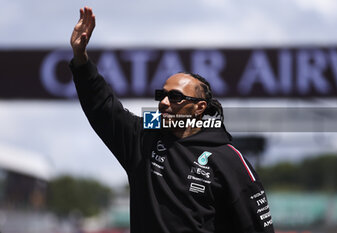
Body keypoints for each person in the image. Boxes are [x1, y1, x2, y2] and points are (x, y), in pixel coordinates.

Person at [69, 6, 275, 233]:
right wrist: (81, 59)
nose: (164, 102)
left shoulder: (230, 160)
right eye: (162, 95)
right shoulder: (143, 139)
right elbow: (103, 107)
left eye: (175, 97)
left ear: (199, 108)